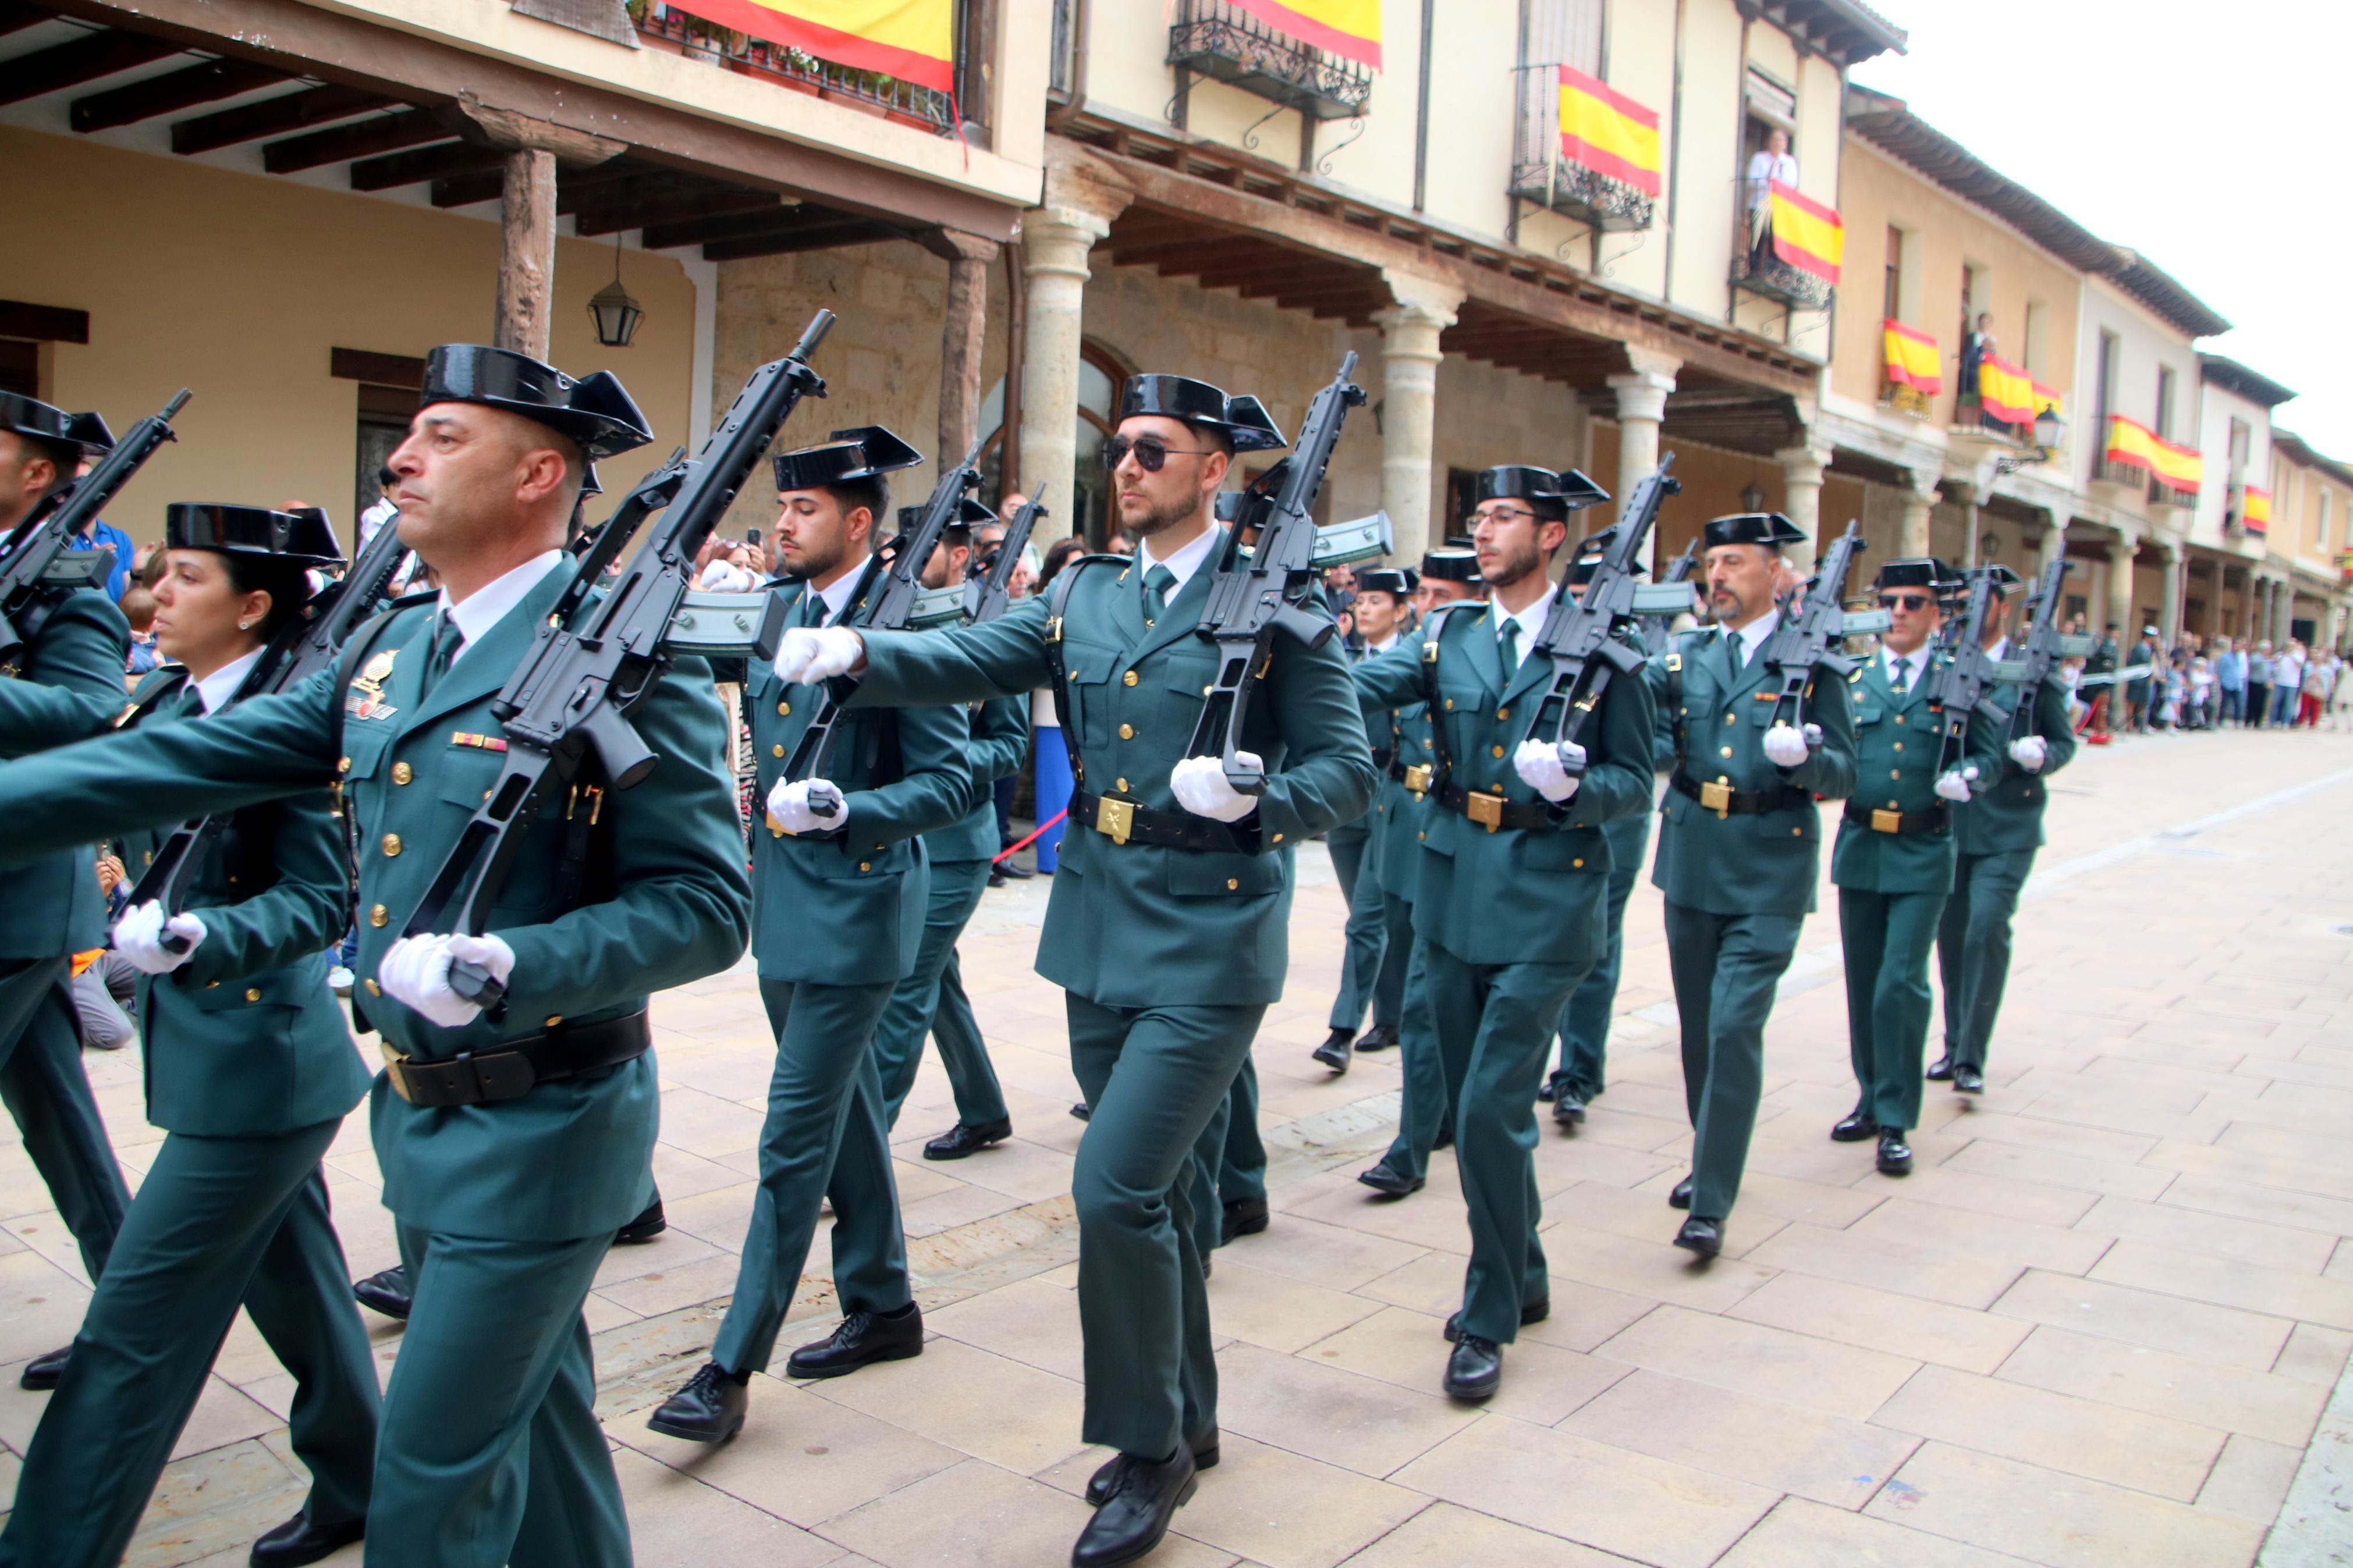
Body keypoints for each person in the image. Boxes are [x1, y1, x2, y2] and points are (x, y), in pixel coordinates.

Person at [0, 346, 751, 1567]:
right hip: (424, 1127)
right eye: (410, 434)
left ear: (538, 474)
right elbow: (192, 759)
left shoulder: (626, 659)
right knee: (545, 1444)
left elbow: (707, 909)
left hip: (546, 1129)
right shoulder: (398, 648)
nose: (400, 457)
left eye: (444, 437)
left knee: (429, 1494)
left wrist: (505, 964)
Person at [768, 370, 1375, 1567]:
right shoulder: (1085, 594)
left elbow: (1347, 770)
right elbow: (975, 657)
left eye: (1153, 449)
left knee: (1115, 1189)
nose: (1129, 466)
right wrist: (858, 652)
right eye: (1120, 450)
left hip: (1210, 936)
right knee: (1176, 1202)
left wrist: (1258, 800)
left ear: (1214, 470)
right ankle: (1188, 1417)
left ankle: (1143, 1451)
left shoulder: (1279, 608)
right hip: (1098, 929)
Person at [0, 504, 380, 1568]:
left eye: (186, 580)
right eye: (159, 577)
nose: (156, 596)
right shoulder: (168, 697)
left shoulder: (297, 724)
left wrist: (201, 934)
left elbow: (320, 895)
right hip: (212, 1057)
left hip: (262, 1067)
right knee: (300, 1289)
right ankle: (359, 1477)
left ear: (253, 607)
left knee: (131, 1338)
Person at [648, 428, 968, 1447]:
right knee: (847, 1118)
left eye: (804, 511)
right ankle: (884, 1306)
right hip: (783, 907)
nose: (782, 525)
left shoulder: (906, 623)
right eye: (781, 509)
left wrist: (851, 812)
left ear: (859, 522)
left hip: (863, 911)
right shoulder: (777, 609)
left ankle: (729, 1365)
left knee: (792, 1139)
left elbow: (958, 781)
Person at [1348, 466, 1652, 1403]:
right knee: (1478, 1108)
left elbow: (1637, 778)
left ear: (1552, 535)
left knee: (1486, 1109)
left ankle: (1486, 1314)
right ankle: (1522, 1268)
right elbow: (1354, 685)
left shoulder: (1602, 647)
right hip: (1451, 892)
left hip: (1548, 902)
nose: (1481, 532)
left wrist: (1575, 785)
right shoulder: (1450, 636)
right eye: (1476, 515)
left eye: (1504, 517)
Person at [1648, 511, 1856, 1257]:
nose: (1718, 576)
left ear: (1777, 575)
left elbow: (1845, 771)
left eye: (1735, 562)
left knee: (1735, 1026)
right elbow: (1644, 735)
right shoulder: (1685, 656)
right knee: (1700, 1030)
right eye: (1714, 562)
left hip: (1770, 862)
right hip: (1694, 857)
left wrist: (1805, 759)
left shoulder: (1815, 664)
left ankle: (1710, 1200)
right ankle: (1711, 1152)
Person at [0, 394, 135, 1390]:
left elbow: (93, 708)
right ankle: (138, 1319)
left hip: (17, 899)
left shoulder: (63, 588)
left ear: (37, 472)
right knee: (62, 1123)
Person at [1832, 561, 2001, 1177]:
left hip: (1924, 849)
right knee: (1863, 980)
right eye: (1890, 601)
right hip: (1859, 846)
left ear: (1936, 615)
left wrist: (1972, 777)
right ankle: (1871, 1096)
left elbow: (1990, 754)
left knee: (1900, 984)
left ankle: (1896, 1117)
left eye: (1913, 602)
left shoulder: (1957, 680)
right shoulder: (1850, 679)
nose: (1898, 611)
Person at [871, 500, 1030, 1157]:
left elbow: (1009, 745)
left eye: (923, 549)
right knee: (936, 982)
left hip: (955, 844)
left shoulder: (986, 628)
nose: (903, 562)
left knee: (907, 986)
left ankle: (853, 1150)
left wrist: (939, 761)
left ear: (958, 556)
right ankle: (984, 1109)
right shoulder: (891, 621)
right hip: (898, 837)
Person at [1353, 547, 1485, 1191]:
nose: (1428, 609)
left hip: (1481, 846)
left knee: (1449, 1002)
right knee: (1420, 993)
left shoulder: (1492, 658)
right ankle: (1424, 1131)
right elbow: (1361, 694)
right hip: (1414, 829)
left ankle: (1435, 1128)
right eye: (1424, 596)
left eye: (1440, 597)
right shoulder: (1420, 655)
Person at [1540, 531, 1663, 1128]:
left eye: (1598, 590)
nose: (1585, 599)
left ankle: (1578, 1072)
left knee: (1597, 946)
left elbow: (1660, 742)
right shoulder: (1556, 644)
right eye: (1579, 587)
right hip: (1558, 816)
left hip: (1613, 819)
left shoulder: (1635, 655)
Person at [1933, 582, 2074, 1097]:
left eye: (1982, 600)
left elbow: (2063, 742)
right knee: (1949, 939)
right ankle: (1952, 1044)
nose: (1971, 610)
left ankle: (1972, 1055)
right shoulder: (1945, 661)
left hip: (2008, 825)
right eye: (1964, 601)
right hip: (1952, 821)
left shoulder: (2029, 665)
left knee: (1984, 930)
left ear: (2002, 607)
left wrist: (2043, 755)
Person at [1314, 566, 1414, 1072]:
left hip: (1392, 791)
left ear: (1401, 610)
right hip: (1348, 794)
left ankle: (1342, 1029)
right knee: (1371, 913)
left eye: (1377, 601)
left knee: (1367, 919)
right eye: (1360, 600)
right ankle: (1392, 1015)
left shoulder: (1415, 662)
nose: (1364, 609)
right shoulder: (1346, 657)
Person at [1743, 126, 1797, 266]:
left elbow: (1792, 184)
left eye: (1780, 140)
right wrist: (1768, 180)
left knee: (1776, 240)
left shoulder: (1789, 163)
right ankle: (1754, 270)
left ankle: (1773, 271)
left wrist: (1777, 181)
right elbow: (1751, 181)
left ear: (1785, 144)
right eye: (1774, 139)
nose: (1777, 143)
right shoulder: (1759, 159)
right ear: (1770, 142)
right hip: (1759, 204)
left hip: (1778, 208)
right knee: (1757, 238)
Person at [2214, 636, 2246, 727]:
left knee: (2239, 703)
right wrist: (2222, 680)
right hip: (2227, 682)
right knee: (2225, 702)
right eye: (2235, 646)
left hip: (2238, 683)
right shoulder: (2225, 657)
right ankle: (2222, 720)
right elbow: (2221, 669)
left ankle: (2238, 721)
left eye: (2239, 646)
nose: (2237, 648)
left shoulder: (2242, 656)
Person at [2277, 638, 2307, 727]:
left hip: (2292, 683)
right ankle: (2275, 720)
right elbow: (2276, 663)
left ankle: (2287, 722)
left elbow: (2300, 664)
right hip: (2280, 681)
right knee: (2277, 702)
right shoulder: (2282, 655)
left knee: (2289, 703)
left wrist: (2292, 654)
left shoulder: (2298, 655)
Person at [2248, 639, 2274, 730]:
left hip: (2264, 683)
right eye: (2268, 649)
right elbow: (2253, 665)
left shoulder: (2269, 659)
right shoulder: (2256, 656)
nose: (2269, 651)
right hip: (2255, 682)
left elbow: (2271, 670)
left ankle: (2258, 722)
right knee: (2253, 702)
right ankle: (2249, 721)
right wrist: (2263, 659)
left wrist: (2271, 680)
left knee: (2262, 704)